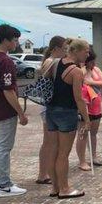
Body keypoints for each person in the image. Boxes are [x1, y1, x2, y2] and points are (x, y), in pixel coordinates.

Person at [0, 24, 28, 198]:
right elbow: (8, 90)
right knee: (3, 147)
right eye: (15, 40)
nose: (17, 43)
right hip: (3, 108)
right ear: (6, 40)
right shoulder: (6, 61)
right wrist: (21, 113)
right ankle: (4, 185)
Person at [45, 38, 90, 199]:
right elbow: (79, 98)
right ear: (76, 51)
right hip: (66, 112)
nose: (88, 54)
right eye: (85, 51)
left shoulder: (55, 63)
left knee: (53, 151)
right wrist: (86, 119)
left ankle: (55, 188)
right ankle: (64, 188)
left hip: (51, 110)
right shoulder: (76, 71)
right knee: (63, 153)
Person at [35, 36, 66, 184]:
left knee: (48, 141)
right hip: (48, 105)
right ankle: (43, 173)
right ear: (56, 49)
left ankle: (44, 172)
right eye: (64, 49)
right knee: (48, 141)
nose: (65, 52)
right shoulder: (52, 61)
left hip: (46, 104)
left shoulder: (48, 61)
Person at [76, 49, 102, 171]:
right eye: (91, 62)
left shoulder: (96, 70)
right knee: (82, 133)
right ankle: (82, 160)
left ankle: (93, 156)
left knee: (94, 133)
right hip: (85, 107)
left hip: (96, 106)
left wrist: (91, 81)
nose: (93, 64)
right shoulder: (81, 71)